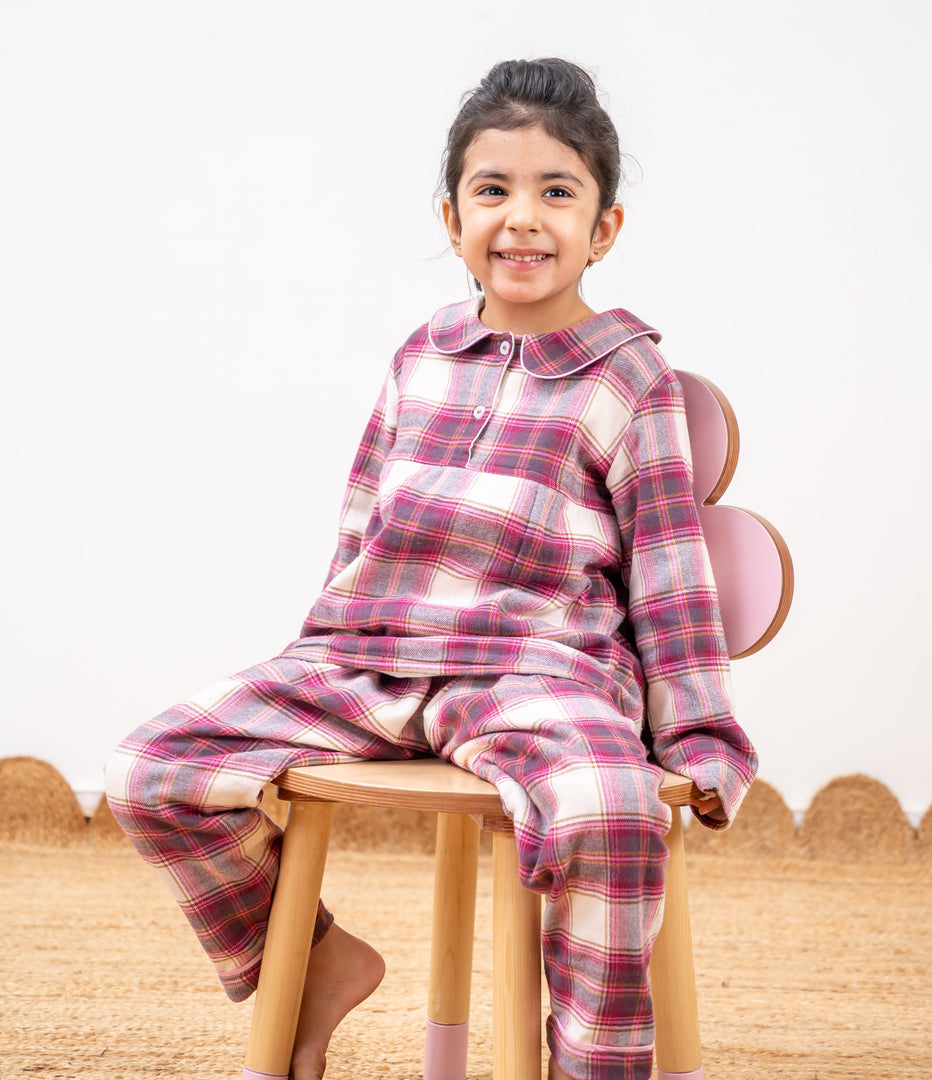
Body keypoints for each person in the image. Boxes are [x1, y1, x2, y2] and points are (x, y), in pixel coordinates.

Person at [105, 57, 757, 1080]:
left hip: (538, 674)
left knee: (610, 811)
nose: (522, 219)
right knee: (151, 772)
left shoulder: (632, 379)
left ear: (605, 228)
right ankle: (317, 963)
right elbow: (365, 523)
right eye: (493, 191)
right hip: (375, 657)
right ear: (451, 219)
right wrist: (314, 652)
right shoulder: (423, 355)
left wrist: (700, 736)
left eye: (556, 192)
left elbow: (669, 573)